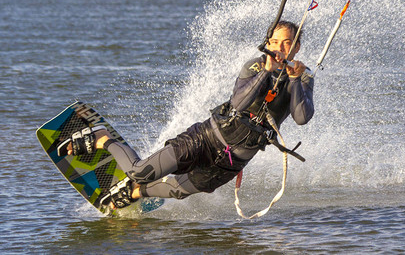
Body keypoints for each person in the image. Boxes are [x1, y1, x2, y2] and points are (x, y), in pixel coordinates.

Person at [66, 20, 314, 208]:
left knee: (178, 191)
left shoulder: (303, 77)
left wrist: (294, 82)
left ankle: (134, 193)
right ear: (268, 44)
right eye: (276, 42)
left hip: (232, 162)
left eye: (288, 43)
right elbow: (239, 104)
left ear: (297, 47)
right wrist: (266, 72)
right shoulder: (255, 65)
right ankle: (102, 138)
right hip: (205, 139)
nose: (281, 49)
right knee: (139, 172)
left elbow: (302, 118)